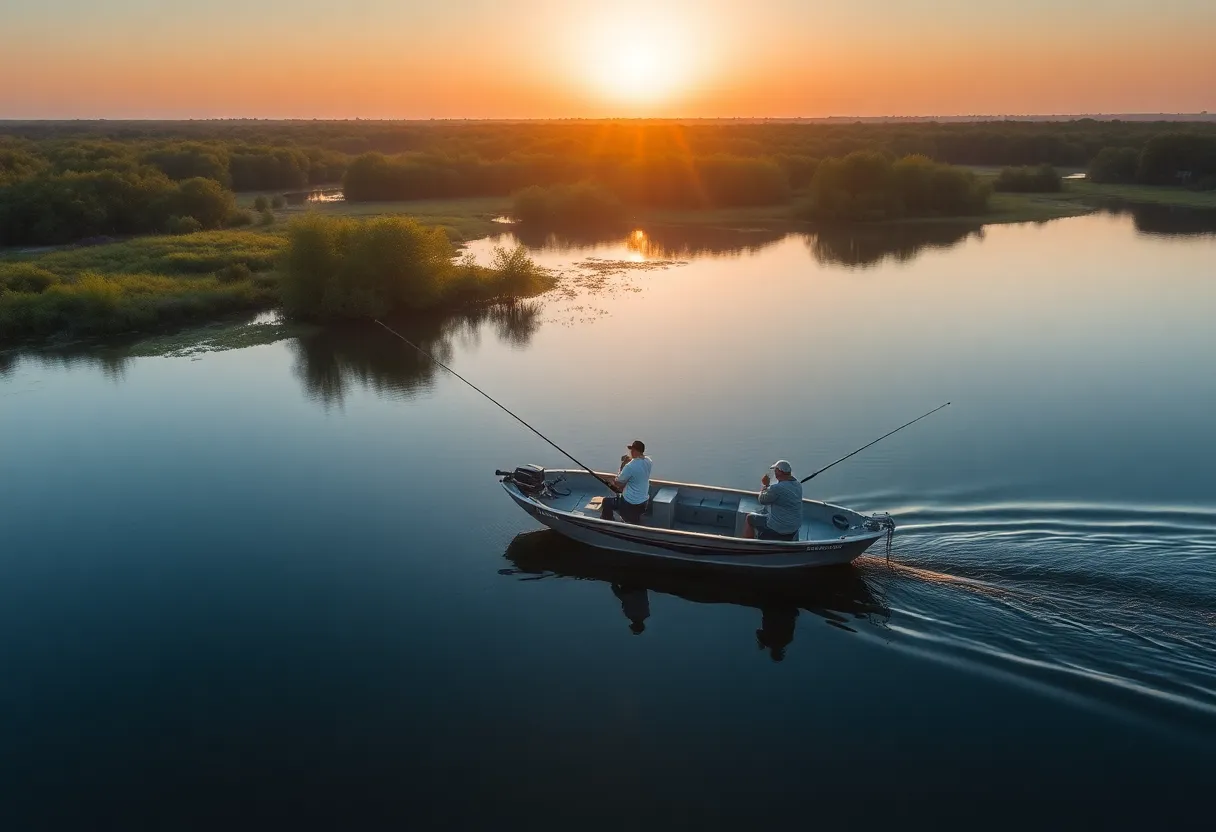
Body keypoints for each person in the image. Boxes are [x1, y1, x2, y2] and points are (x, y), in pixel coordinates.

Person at [743, 459, 803, 540]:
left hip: (779, 528)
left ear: (779, 472)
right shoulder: (798, 485)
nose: (775, 473)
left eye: (775, 470)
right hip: (794, 527)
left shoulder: (777, 488)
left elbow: (762, 500)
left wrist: (766, 485)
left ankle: (749, 543)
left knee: (749, 518)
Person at [600, 439, 652, 524]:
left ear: (635, 451)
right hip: (643, 502)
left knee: (606, 502)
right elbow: (638, 469)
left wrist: (623, 464)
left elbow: (618, 483)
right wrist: (632, 460)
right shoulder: (649, 461)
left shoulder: (629, 466)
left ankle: (607, 523)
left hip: (630, 504)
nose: (630, 452)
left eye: (632, 450)